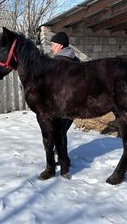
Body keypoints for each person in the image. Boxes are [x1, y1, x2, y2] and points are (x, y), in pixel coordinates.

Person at [50, 32, 80, 167]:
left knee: (59, 131)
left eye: (53, 45)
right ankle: (61, 154)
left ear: (60, 45)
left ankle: (64, 160)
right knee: (61, 131)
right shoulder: (76, 60)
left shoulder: (57, 63)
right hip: (76, 104)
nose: (51, 48)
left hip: (62, 105)